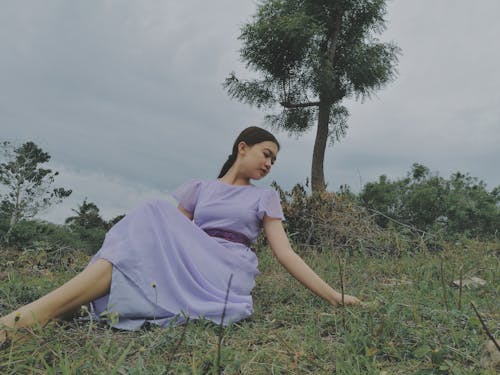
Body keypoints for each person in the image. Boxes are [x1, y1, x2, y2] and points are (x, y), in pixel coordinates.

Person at [0, 126, 359, 342]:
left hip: (227, 268)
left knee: (151, 212)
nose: (269, 164)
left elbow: (285, 253)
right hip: (190, 259)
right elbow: (161, 237)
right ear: (242, 147)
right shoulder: (199, 188)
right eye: (266, 154)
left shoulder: (263, 196)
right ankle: (39, 314)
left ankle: (28, 318)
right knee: (146, 225)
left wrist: (332, 295)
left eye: (274, 161)